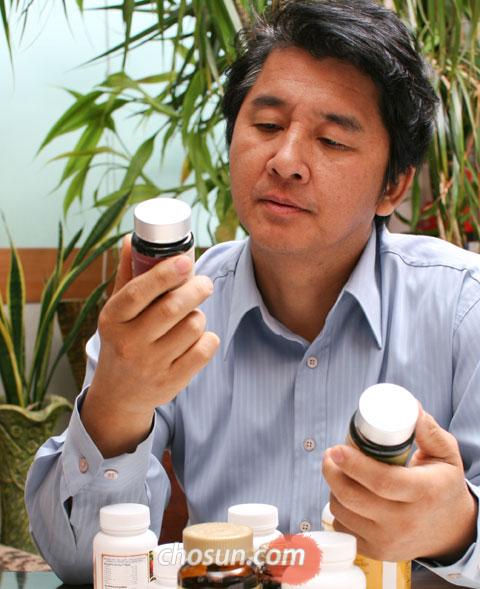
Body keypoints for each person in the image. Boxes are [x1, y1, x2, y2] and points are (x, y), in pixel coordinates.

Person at [26, 0, 480, 586]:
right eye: (266, 126)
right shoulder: (175, 311)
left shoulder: (464, 309)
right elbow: (78, 562)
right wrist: (117, 400)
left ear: (392, 186)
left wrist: (459, 527)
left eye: (332, 141)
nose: (286, 161)